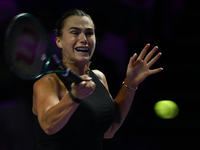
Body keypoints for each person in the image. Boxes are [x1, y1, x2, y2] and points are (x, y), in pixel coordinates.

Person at [32, 9, 163, 150]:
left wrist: (130, 84)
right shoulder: (48, 82)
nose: (84, 39)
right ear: (59, 41)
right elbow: (49, 126)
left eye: (89, 33)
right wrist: (74, 96)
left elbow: (109, 130)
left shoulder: (99, 77)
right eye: (75, 33)